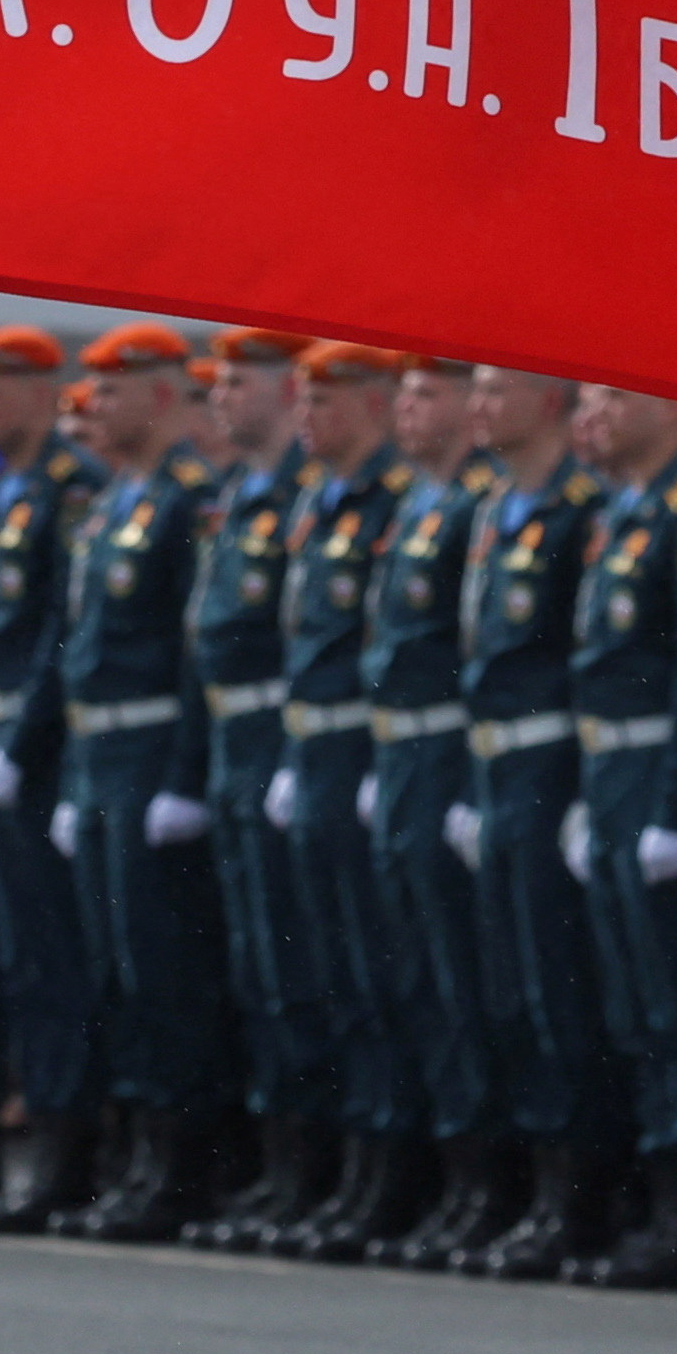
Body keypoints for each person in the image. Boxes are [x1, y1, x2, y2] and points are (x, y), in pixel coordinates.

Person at [56, 319, 230, 1243]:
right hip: (98, 757)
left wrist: (179, 776)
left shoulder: (184, 501)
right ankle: (140, 1153)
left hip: (149, 752)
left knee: (164, 970)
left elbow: (191, 655)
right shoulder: (116, 498)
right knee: (114, 968)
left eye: (112, 388)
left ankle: (182, 1165)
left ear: (162, 395)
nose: (95, 404)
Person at [561, 382, 677, 1291]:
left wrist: (674, 803)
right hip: (610, 770)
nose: (598, 414)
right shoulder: (621, 513)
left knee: (675, 1004)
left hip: (660, 773)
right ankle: (647, 1195)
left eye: (616, 396)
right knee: (631, 1005)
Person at [453, 365, 622, 1280]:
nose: (481, 407)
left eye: (497, 390)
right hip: (493, 761)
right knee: (507, 990)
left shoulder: (579, 511)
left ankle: (580, 1195)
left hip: (552, 762)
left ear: (547, 403)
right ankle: (524, 1184)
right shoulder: (493, 511)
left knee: (562, 991)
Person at [260, 339, 423, 1261]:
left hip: (375, 755)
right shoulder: (315, 506)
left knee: (380, 973)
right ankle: (339, 1166)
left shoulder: (393, 506)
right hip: (311, 751)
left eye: (329, 399)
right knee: (315, 973)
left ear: (374, 405)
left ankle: (392, 1170)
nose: (309, 415)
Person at [0, 323, 103, 1229]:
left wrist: (17, 742)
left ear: (44, 396)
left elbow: (55, 633)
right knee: (16, 962)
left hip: (40, 762)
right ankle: (40, 1154)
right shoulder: (1, 496)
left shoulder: (68, 492)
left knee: (53, 963)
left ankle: (65, 1158)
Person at [179, 328, 334, 1253]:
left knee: (312, 968)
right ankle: (284, 1170)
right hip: (236, 750)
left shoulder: (309, 502)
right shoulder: (240, 500)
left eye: (241, 382)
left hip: (295, 748)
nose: (223, 398)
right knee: (259, 974)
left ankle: (325, 1169)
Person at [361, 356, 509, 1269]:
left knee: (475, 983)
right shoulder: (422, 505)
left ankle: (490, 1180)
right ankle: (441, 1176)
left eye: (433, 392)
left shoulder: (481, 507)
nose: (414, 411)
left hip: (459, 756)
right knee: (409, 979)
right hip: (400, 751)